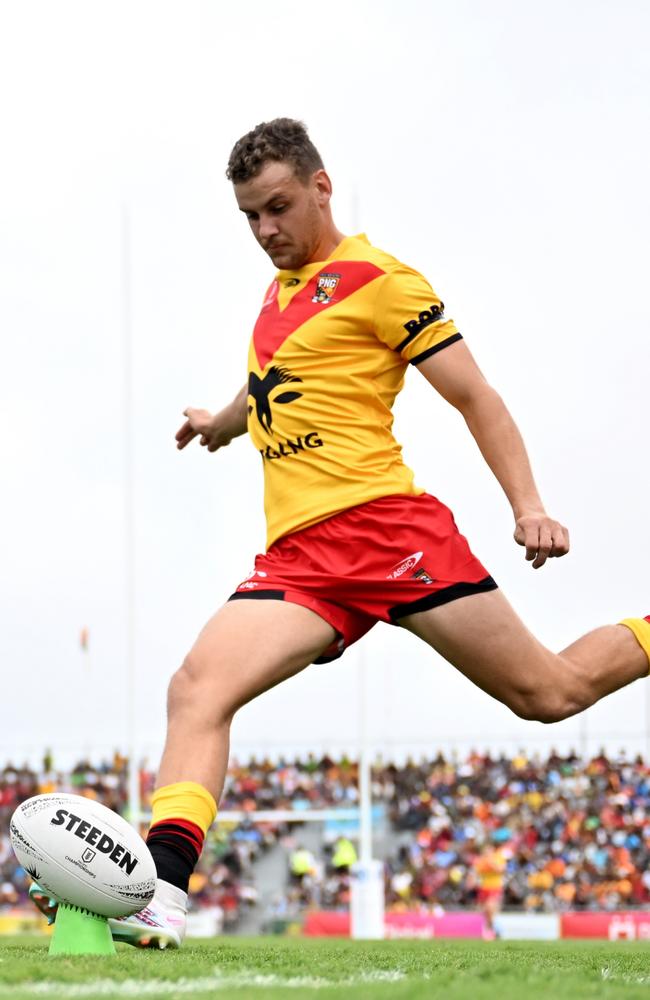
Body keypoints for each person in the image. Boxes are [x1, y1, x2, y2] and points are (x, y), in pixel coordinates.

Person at [31, 118, 650, 947]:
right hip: (300, 561)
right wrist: (218, 423)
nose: (266, 231)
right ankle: (162, 894)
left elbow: (477, 397)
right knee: (196, 689)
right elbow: (275, 385)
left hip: (389, 532)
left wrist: (527, 504)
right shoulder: (277, 293)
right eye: (250, 217)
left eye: (278, 208)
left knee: (550, 693)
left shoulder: (383, 280)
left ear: (323, 187)